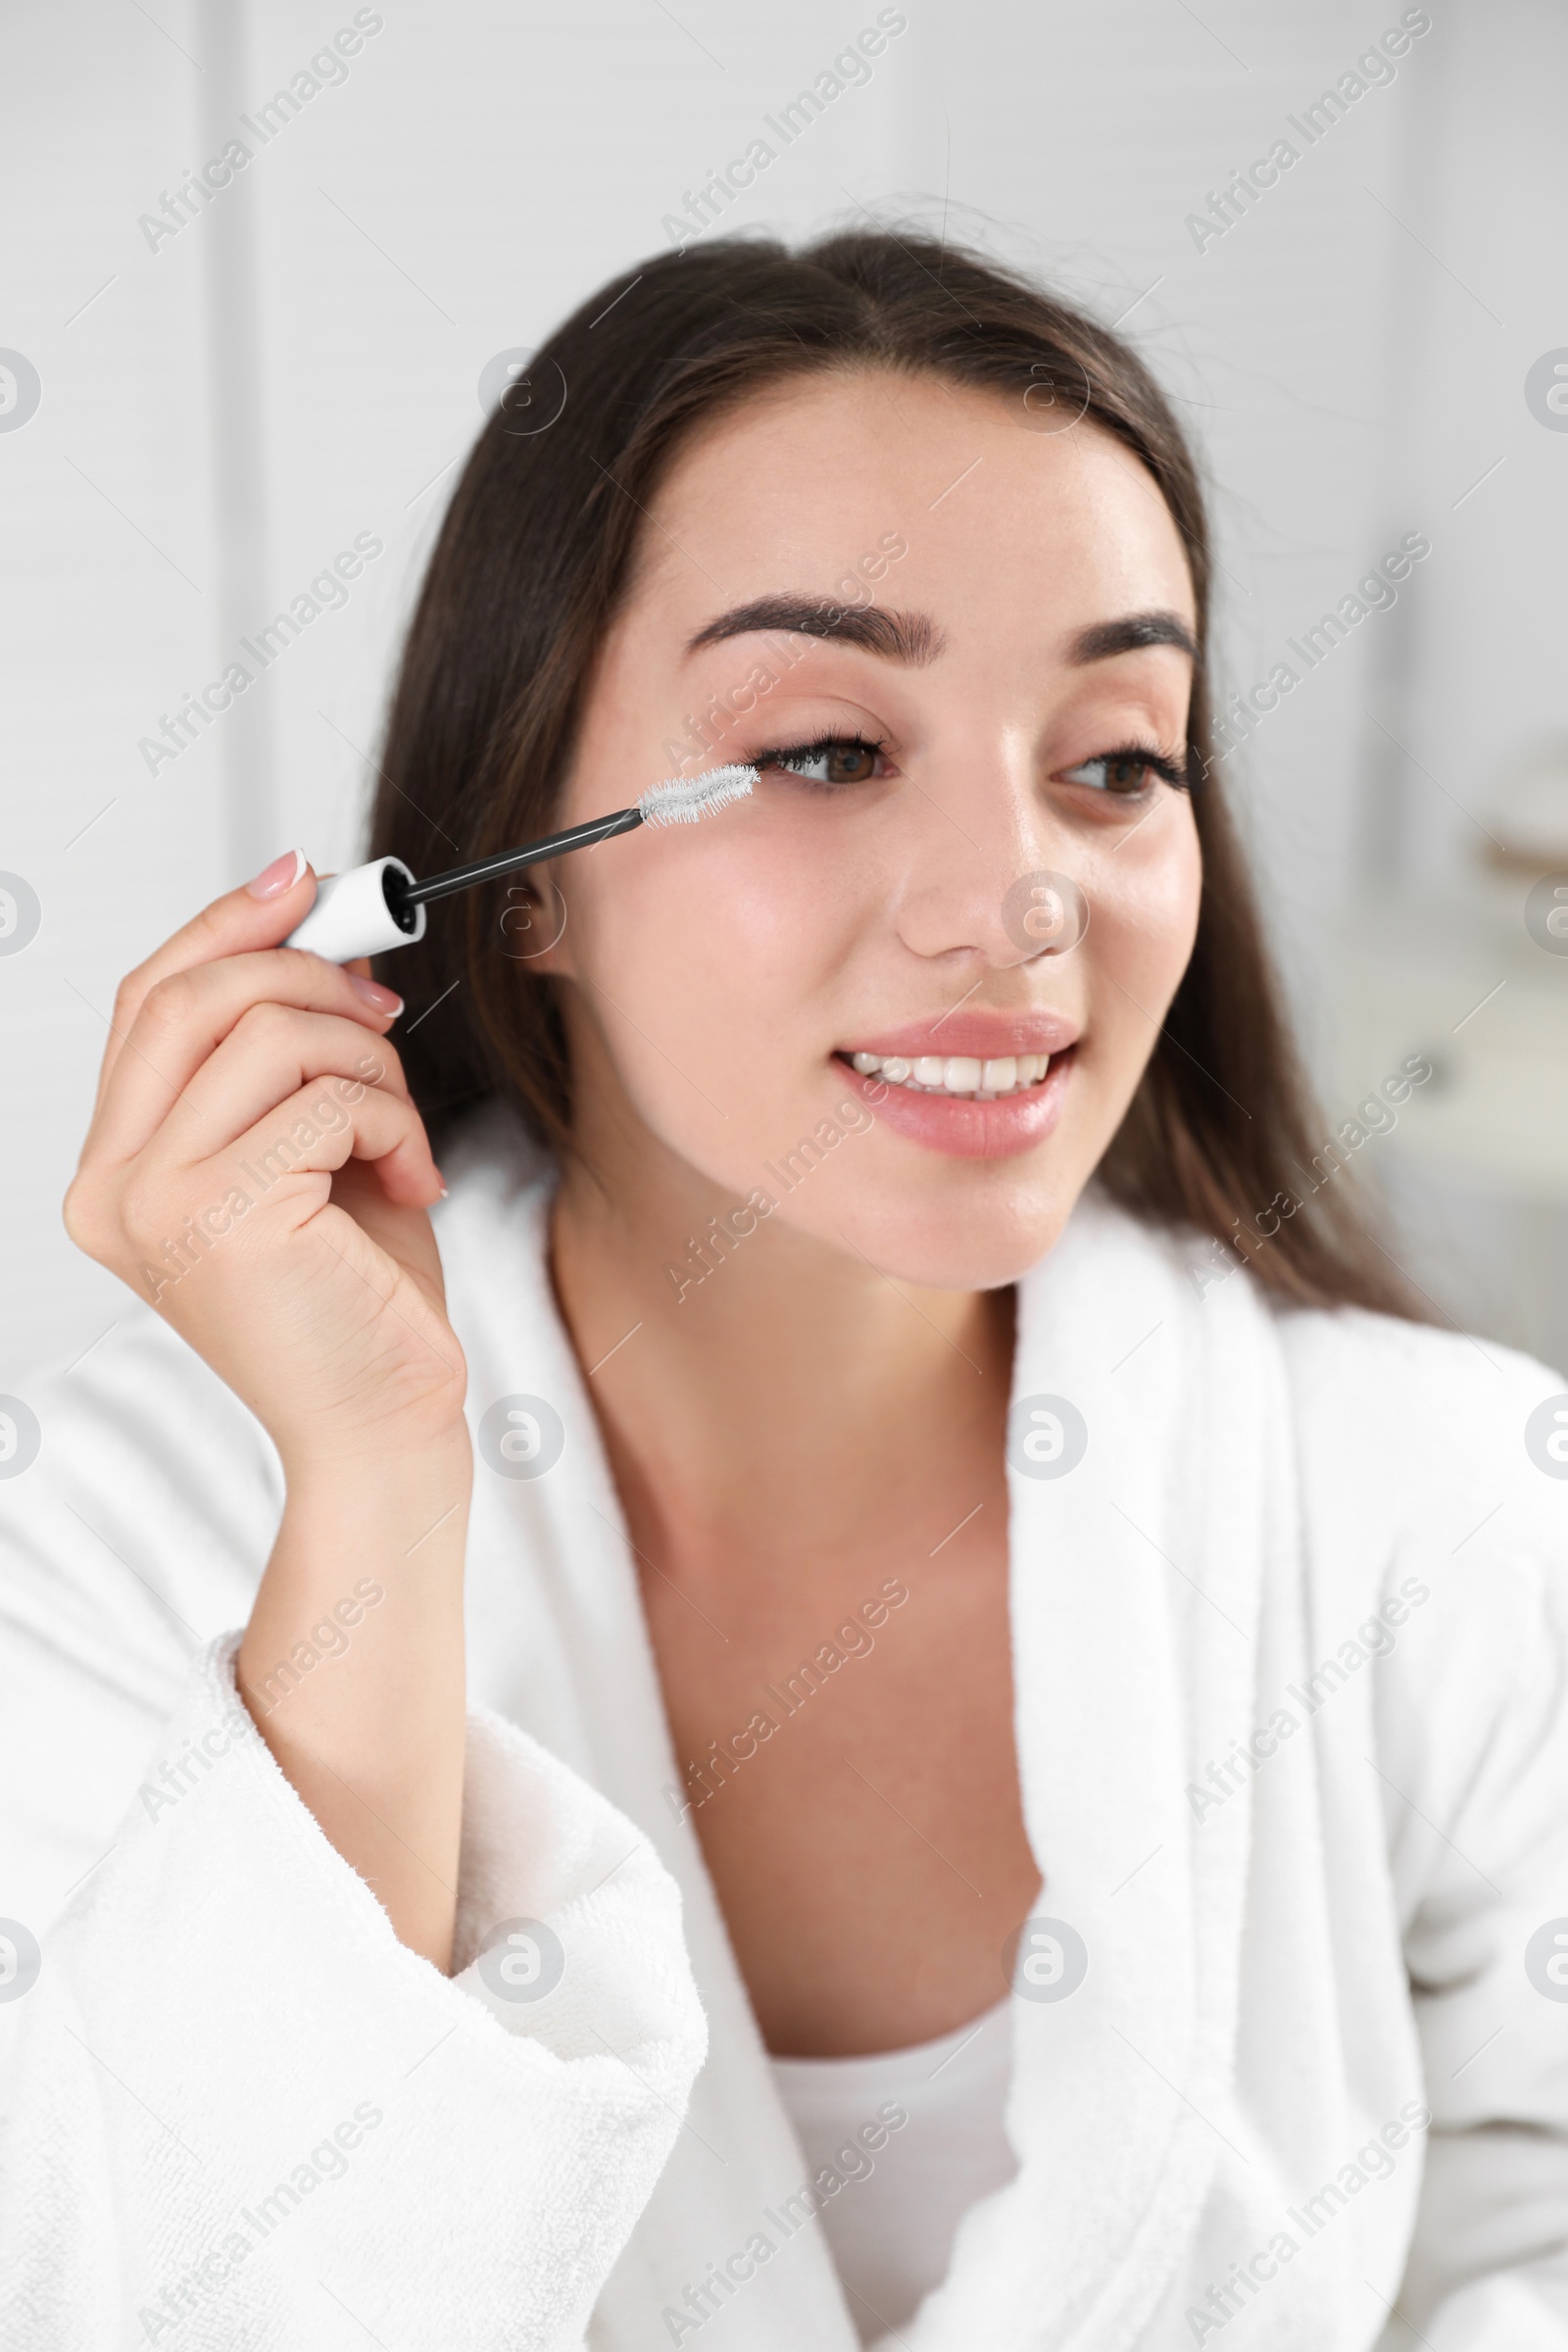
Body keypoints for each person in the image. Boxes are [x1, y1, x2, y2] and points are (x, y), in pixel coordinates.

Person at [2, 230, 1565, 2352]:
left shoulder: (1450, 1507)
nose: (1015, 903)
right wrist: (367, 1495)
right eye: (830, 750)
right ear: (524, 877)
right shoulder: (125, 1535)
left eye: (1112, 759)